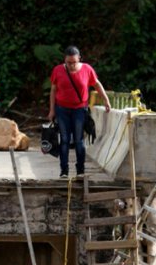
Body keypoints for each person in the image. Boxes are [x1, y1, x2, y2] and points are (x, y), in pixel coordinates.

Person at [48, 46, 112, 179]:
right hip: (62, 109)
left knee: (79, 140)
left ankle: (80, 170)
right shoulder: (58, 70)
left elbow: (97, 85)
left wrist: (106, 100)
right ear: (64, 60)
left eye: (74, 62)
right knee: (64, 140)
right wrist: (52, 110)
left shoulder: (87, 69)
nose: (71, 65)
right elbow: (53, 90)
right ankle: (64, 171)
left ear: (79, 59)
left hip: (79, 109)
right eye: (68, 63)